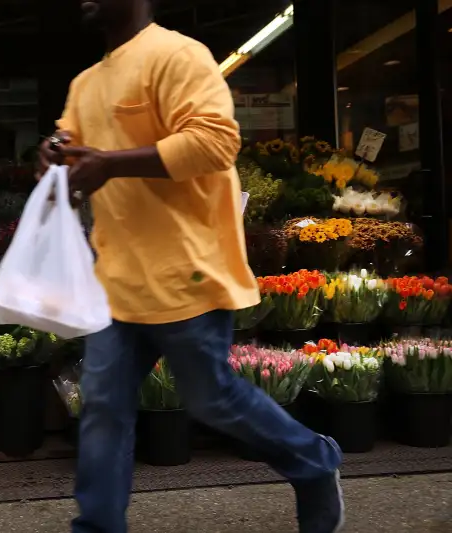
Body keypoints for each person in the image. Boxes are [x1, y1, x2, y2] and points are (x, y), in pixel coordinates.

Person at [37, 1, 345, 532]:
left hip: (187, 273)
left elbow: (216, 142)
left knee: (212, 400)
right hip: (115, 280)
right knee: (103, 409)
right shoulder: (85, 83)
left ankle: (314, 462)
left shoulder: (177, 55)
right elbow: (69, 139)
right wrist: (53, 150)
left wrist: (112, 163)